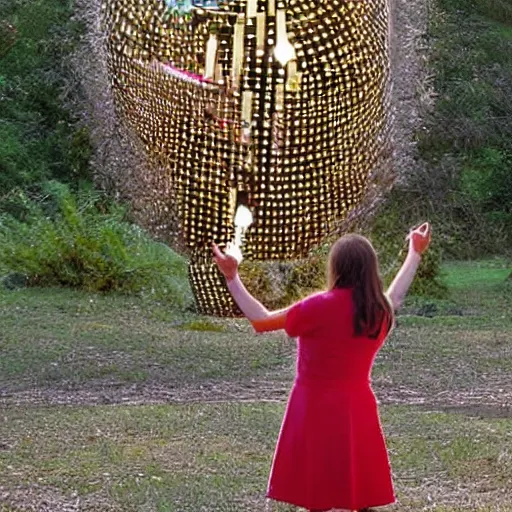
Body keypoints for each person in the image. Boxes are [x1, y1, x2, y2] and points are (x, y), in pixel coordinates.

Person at [212, 223, 432, 512]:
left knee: (317, 490)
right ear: (370, 269)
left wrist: (232, 277)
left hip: (313, 407)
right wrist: (414, 253)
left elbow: (261, 319)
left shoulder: (318, 307)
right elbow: (397, 296)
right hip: (357, 407)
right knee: (356, 487)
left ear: (336, 267)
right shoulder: (378, 311)